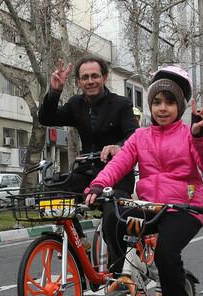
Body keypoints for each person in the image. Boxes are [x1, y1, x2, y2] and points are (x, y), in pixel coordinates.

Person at [84, 65, 203, 296]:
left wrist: (201, 135)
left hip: (184, 208)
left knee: (166, 253)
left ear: (180, 106)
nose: (162, 108)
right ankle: (124, 282)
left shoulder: (189, 134)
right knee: (112, 221)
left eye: (169, 102)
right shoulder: (140, 137)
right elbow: (118, 164)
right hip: (149, 205)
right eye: (157, 102)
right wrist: (98, 186)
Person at [38, 55, 137, 249]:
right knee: (53, 190)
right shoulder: (76, 104)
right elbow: (47, 118)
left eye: (95, 76)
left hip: (116, 177)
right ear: (78, 82)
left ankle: (117, 271)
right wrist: (55, 91)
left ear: (105, 78)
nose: (90, 81)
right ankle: (79, 242)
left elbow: (134, 135)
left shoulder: (121, 104)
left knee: (113, 220)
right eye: (85, 77)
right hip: (86, 172)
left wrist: (118, 147)